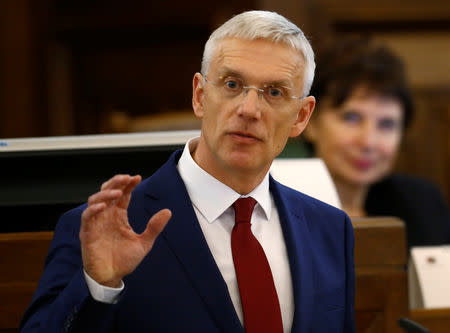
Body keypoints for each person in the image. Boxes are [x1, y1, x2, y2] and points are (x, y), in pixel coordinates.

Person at [20, 11, 355, 333]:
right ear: (199, 96)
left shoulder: (329, 230)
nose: (249, 110)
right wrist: (99, 285)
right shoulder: (107, 228)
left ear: (301, 116)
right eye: (232, 84)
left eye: (275, 93)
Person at [303, 37, 450, 249]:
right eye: (351, 118)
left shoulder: (422, 204)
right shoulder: (274, 206)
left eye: (387, 124)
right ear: (310, 122)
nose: (368, 142)